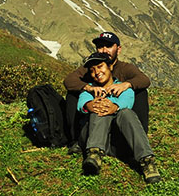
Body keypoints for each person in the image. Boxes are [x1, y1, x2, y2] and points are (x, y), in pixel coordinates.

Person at [78, 53, 160, 183]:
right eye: (92, 70)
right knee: (99, 110)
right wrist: (92, 105)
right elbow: (82, 103)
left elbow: (127, 101)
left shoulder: (123, 89)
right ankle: (94, 154)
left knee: (126, 112)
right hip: (92, 136)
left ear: (110, 67)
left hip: (118, 141)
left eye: (100, 67)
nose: (97, 72)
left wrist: (114, 107)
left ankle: (147, 160)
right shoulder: (89, 90)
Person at [63, 32, 151, 155]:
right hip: (93, 119)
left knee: (141, 93)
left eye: (108, 46)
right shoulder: (91, 68)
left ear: (118, 49)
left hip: (119, 118)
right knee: (73, 94)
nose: (104, 50)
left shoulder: (125, 68)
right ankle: (76, 140)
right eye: (100, 47)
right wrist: (88, 88)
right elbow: (69, 81)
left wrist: (127, 84)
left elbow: (144, 80)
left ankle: (140, 137)